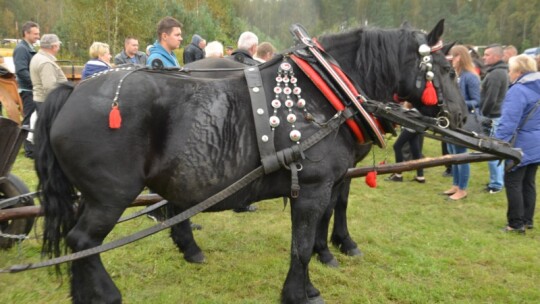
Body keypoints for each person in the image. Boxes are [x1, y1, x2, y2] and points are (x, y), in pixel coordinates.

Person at [495, 54, 540, 233]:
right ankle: (527, 219)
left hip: (520, 143)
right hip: (537, 142)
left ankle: (515, 223)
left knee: (513, 181)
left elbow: (509, 122)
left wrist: (498, 143)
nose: (509, 74)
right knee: (529, 181)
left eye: (510, 70)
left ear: (519, 71)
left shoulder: (518, 90)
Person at [442, 45, 481, 200]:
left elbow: (477, 101)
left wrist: (457, 103)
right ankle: (456, 185)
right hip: (453, 120)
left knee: (461, 155)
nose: (451, 59)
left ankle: (462, 189)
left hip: (464, 121)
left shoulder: (470, 76)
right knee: (453, 154)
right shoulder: (455, 75)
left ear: (460, 57)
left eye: (453, 56)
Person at [480, 44, 509, 194]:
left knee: (493, 152)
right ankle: (497, 180)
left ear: (497, 57)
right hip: (494, 116)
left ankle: (496, 184)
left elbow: (491, 99)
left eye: (487, 54)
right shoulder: (497, 71)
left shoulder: (497, 73)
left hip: (492, 117)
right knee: (495, 152)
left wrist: (483, 115)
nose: (484, 57)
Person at [13, 21, 40, 158]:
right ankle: (28, 149)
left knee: (33, 118)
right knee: (29, 118)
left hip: (32, 89)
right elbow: (21, 71)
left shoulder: (29, 48)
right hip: (28, 90)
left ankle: (32, 146)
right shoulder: (21, 49)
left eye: (38, 33)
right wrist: (35, 83)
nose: (38, 36)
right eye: (35, 33)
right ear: (26, 33)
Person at [386, 102, 425, 183]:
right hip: (415, 123)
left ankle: (398, 175)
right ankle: (420, 176)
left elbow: (408, 107)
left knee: (397, 146)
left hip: (411, 124)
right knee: (416, 151)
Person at [29, 34, 67, 110]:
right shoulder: (46, 63)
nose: (59, 48)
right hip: (47, 103)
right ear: (54, 47)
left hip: (41, 101)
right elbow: (50, 87)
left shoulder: (37, 57)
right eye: (58, 45)